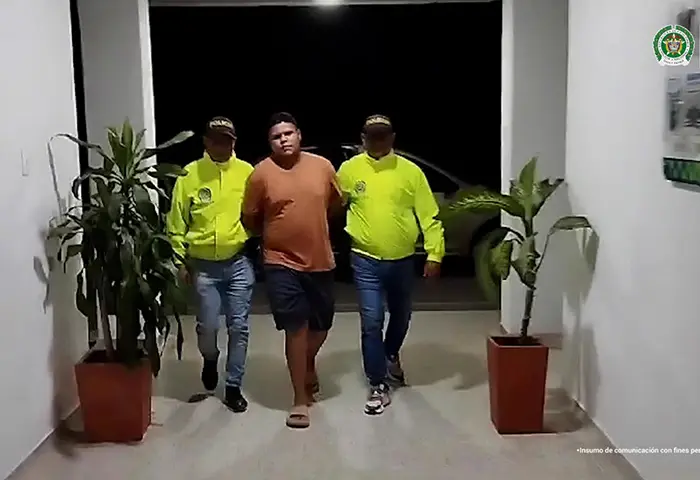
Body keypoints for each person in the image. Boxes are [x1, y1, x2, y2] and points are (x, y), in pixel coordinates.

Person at [337, 114, 445, 415]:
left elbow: (430, 216)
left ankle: (391, 353)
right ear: (363, 139)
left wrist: (435, 254)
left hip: (402, 260)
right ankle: (377, 383)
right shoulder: (349, 170)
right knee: (371, 321)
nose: (378, 141)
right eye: (372, 136)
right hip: (364, 259)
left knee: (401, 315)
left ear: (392, 138)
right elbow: (330, 204)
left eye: (383, 135)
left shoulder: (410, 172)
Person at [241, 112, 341, 429]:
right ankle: (299, 398)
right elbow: (250, 218)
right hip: (279, 261)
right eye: (276, 136)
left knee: (321, 326)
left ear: (299, 135)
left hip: (320, 260)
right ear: (269, 142)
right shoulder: (260, 174)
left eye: (288, 133)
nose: (283, 140)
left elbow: (335, 204)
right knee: (296, 327)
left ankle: (307, 362)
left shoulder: (323, 167)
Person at [166, 116, 255, 413]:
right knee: (207, 326)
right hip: (203, 266)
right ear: (206, 141)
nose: (221, 145)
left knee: (239, 327)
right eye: (216, 139)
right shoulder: (189, 175)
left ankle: (233, 386)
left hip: (238, 261)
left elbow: (258, 211)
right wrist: (180, 260)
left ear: (234, 142)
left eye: (227, 140)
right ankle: (210, 358)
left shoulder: (247, 172)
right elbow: (176, 222)